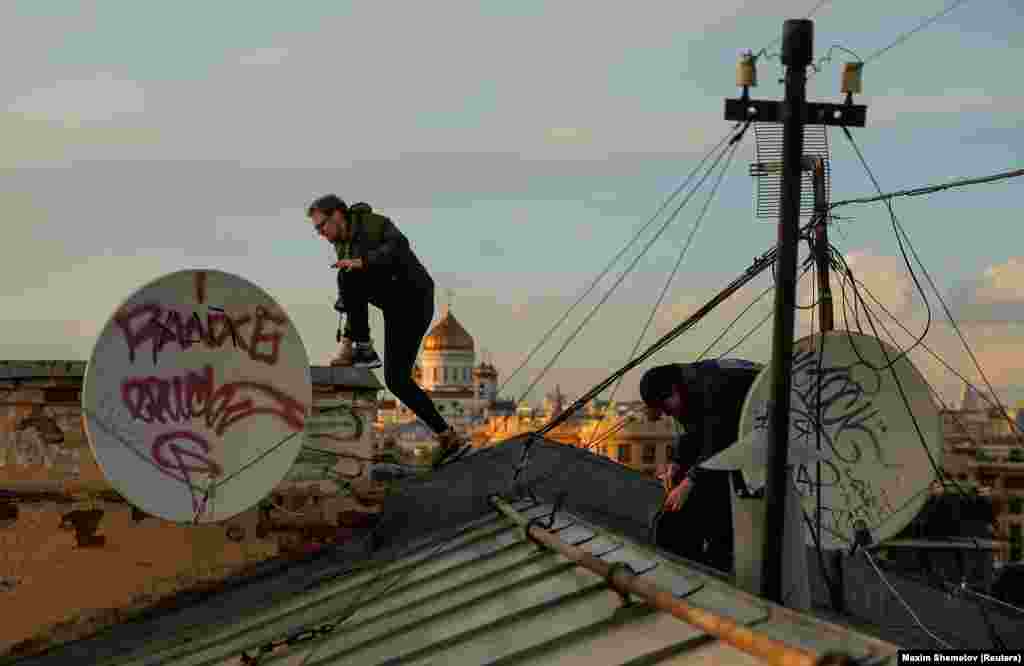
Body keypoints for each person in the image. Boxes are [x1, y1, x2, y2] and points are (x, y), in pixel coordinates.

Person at [307, 194, 465, 466]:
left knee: (349, 274)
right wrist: (347, 302)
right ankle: (446, 435)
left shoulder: (374, 224)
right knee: (396, 381)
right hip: (393, 305)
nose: (320, 234)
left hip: (414, 297)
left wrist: (363, 262)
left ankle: (362, 347)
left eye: (321, 226)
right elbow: (351, 287)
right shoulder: (342, 245)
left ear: (336, 215)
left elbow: (399, 247)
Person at [639, 359, 763, 572]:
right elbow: (694, 433)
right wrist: (676, 465)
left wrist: (689, 482)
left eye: (666, 407)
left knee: (716, 495)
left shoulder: (713, 387)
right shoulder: (688, 387)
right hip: (734, 439)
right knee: (690, 492)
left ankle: (720, 561)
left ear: (674, 391)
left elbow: (717, 440)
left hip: (753, 438)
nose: (668, 414)